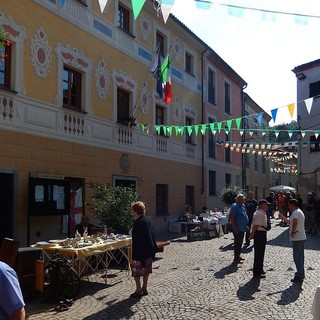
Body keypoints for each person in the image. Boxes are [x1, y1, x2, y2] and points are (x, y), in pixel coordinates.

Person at [130, 201, 157, 298]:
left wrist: (133, 255)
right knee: (146, 270)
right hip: (149, 250)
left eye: (132, 210)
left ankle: (138, 289)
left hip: (140, 251)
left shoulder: (137, 223)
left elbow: (136, 239)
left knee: (136, 270)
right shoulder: (148, 220)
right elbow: (153, 235)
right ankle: (144, 288)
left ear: (136, 211)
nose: (132, 212)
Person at [279, 199, 306, 282]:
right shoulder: (298, 212)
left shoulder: (295, 213)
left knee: (297, 256)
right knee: (300, 256)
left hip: (297, 237)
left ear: (292, 205)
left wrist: (293, 231)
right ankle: (301, 272)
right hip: (301, 237)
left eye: (289, 205)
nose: (288, 207)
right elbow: (290, 222)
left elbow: (295, 221)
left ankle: (299, 274)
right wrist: (283, 217)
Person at [250, 199, 270, 279]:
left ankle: (260, 269)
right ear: (262, 205)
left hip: (262, 233)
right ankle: (256, 272)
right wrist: (252, 234)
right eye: (266, 205)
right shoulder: (259, 213)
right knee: (258, 253)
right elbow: (255, 225)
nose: (267, 206)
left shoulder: (262, 212)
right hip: (259, 234)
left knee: (261, 252)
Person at [229, 194, 249, 264]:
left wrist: (246, 225)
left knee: (240, 243)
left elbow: (244, 215)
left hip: (242, 228)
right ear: (237, 199)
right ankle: (236, 258)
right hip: (237, 228)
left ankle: (238, 255)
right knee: (237, 243)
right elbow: (232, 217)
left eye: (242, 199)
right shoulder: (235, 207)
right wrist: (234, 227)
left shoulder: (242, 206)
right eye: (240, 199)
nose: (242, 200)